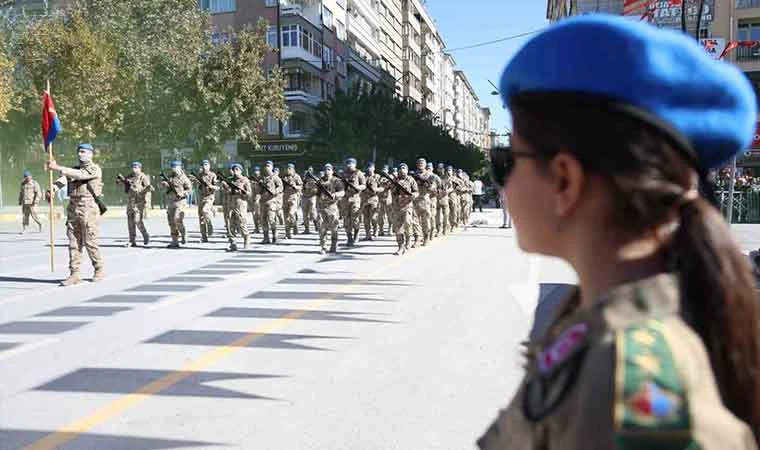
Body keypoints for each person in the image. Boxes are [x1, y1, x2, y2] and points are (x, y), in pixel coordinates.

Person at [478, 15, 760, 450]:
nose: (504, 184)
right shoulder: (594, 328)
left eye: (508, 161)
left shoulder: (634, 381)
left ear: (565, 180)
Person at [47, 144, 104, 286]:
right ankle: (75, 273)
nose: (80, 154)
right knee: (73, 242)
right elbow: (63, 180)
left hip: (88, 208)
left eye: (83, 152)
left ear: (91, 154)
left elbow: (81, 175)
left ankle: (98, 269)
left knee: (90, 241)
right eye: (79, 151)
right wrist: (52, 188)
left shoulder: (94, 169)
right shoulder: (74, 169)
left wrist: (58, 167)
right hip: (73, 207)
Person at [119, 161, 151, 247]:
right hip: (131, 201)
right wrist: (121, 182)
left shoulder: (143, 177)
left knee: (137, 220)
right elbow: (122, 184)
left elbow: (148, 188)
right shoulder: (130, 176)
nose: (134, 169)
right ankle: (132, 240)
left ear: (140, 168)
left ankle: (145, 235)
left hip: (139, 202)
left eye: (136, 167)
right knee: (130, 221)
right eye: (133, 167)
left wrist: (138, 189)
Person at [161, 160, 192, 249]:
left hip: (180, 202)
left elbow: (189, 190)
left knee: (177, 219)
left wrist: (183, 193)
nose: (173, 169)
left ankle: (183, 233)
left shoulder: (184, 178)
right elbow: (163, 187)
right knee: (171, 222)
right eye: (172, 167)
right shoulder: (170, 177)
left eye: (175, 167)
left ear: (179, 167)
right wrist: (164, 185)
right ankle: (175, 241)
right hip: (171, 201)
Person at [316, 163, 345, 254]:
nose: (327, 171)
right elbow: (317, 194)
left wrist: (335, 194)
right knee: (322, 228)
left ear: (332, 171)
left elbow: (342, 192)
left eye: (329, 169)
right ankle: (323, 246)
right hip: (322, 208)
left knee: (334, 228)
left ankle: (333, 245)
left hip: (332, 207)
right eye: (325, 169)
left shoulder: (337, 181)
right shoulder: (320, 181)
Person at [221, 163, 250, 251]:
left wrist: (241, 191)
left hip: (240, 204)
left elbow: (249, 193)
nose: (235, 171)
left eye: (237, 170)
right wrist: (225, 187)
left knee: (241, 223)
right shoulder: (229, 180)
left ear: (241, 171)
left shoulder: (245, 180)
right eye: (234, 170)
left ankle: (246, 238)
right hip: (231, 204)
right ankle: (233, 242)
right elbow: (225, 192)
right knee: (230, 224)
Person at [391, 163, 418, 255]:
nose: (402, 170)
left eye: (404, 168)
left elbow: (416, 191)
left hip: (407, 206)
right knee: (398, 228)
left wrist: (414, 195)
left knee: (408, 223)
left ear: (407, 170)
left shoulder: (411, 179)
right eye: (400, 168)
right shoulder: (394, 180)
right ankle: (400, 246)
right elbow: (390, 191)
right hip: (397, 206)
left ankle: (408, 240)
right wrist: (394, 185)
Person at [191, 159, 218, 243]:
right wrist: (194, 180)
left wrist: (210, 185)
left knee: (205, 210)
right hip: (201, 197)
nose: (204, 167)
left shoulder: (213, 175)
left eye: (206, 165)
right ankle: (204, 236)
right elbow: (194, 184)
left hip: (209, 196)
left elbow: (217, 187)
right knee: (201, 217)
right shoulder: (199, 175)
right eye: (203, 165)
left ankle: (209, 225)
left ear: (209, 166)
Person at [341, 158, 366, 246]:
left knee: (355, 218)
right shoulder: (343, 174)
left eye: (351, 163)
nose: (349, 165)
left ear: (355, 164)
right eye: (348, 163)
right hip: (345, 199)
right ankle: (349, 237)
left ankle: (356, 234)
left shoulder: (359, 173)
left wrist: (358, 187)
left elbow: (364, 185)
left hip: (355, 199)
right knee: (346, 220)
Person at [412, 158, 436, 247]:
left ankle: (426, 237)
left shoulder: (430, 175)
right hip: (415, 201)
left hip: (425, 200)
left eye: (422, 163)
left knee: (426, 221)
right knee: (414, 221)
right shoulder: (413, 175)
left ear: (425, 164)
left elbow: (434, 187)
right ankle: (417, 238)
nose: (421, 164)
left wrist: (429, 187)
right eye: (419, 163)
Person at [259, 160, 283, 244]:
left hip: (272, 201)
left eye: (268, 166)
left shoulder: (275, 177)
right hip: (263, 201)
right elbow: (259, 190)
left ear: (272, 167)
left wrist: (275, 192)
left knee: (271, 218)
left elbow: (280, 187)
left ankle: (274, 235)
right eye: (265, 166)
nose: (267, 167)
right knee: (263, 219)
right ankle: (266, 237)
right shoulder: (262, 178)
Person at [361, 162, 383, 241]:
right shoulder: (363, 176)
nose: (369, 168)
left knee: (373, 217)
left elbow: (382, 188)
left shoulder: (377, 177)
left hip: (374, 199)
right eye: (368, 167)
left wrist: (376, 189)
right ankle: (368, 234)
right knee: (366, 218)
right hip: (364, 200)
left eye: (371, 167)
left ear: (374, 168)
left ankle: (375, 230)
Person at [281, 162, 303, 239]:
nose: (288, 170)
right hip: (285, 198)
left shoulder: (297, 177)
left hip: (294, 197)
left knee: (291, 213)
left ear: (293, 169)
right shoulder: (284, 177)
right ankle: (288, 234)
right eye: (287, 168)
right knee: (286, 217)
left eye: (289, 168)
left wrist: (295, 186)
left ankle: (294, 225)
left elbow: (301, 186)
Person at [18, 169, 42, 234]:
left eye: (28, 176)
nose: (27, 178)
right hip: (25, 203)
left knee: (34, 216)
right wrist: (20, 200)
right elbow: (21, 193)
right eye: (25, 177)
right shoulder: (23, 183)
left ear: (31, 176)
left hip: (32, 203)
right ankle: (24, 229)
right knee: (25, 216)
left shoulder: (34, 183)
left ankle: (40, 225)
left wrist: (36, 201)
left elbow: (38, 193)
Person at [435, 163, 453, 236]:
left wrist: (447, 191)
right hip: (437, 198)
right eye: (439, 168)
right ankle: (438, 230)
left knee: (446, 215)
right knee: (437, 216)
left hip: (445, 198)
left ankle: (445, 229)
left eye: (442, 168)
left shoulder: (447, 177)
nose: (440, 169)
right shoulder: (435, 177)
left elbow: (451, 187)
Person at [301, 166, 320, 234]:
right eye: (308, 170)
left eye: (310, 170)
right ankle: (307, 229)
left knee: (312, 213)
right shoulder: (304, 179)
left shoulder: (315, 179)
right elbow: (301, 187)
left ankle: (316, 224)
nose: (309, 172)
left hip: (312, 197)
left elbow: (319, 186)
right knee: (305, 214)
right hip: (305, 197)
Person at [378, 165, 393, 236]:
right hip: (380, 199)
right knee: (380, 215)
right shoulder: (378, 178)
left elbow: (391, 186)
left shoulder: (390, 177)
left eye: (385, 169)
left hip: (388, 199)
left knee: (389, 215)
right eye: (383, 169)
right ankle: (381, 229)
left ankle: (390, 228)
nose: (384, 170)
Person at [249, 165, 263, 234]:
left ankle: (263, 226)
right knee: (254, 214)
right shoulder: (251, 180)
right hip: (252, 198)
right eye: (255, 171)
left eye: (257, 171)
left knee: (260, 214)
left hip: (260, 197)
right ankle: (256, 228)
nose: (256, 172)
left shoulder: (262, 179)